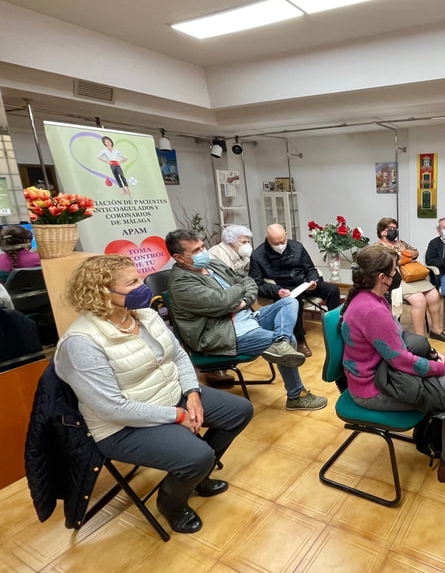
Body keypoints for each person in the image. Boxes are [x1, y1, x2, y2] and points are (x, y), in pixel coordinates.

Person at [53, 254, 253, 534]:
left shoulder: (145, 315)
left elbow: (179, 356)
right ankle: (171, 503)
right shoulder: (81, 343)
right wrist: (178, 415)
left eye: (138, 278)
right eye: (132, 283)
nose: (142, 286)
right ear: (101, 293)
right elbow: (112, 408)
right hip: (121, 427)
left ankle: (196, 475)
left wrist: (192, 393)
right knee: (196, 456)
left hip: (170, 397)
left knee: (239, 411)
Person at [340, 244, 445, 483]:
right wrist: (436, 366)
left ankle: (430, 436)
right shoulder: (372, 309)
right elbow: (400, 359)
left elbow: (396, 340)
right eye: (394, 270)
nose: (397, 274)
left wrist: (432, 355)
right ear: (382, 277)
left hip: (379, 373)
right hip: (374, 389)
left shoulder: (371, 298)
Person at [166, 229, 327, 411]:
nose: (203, 252)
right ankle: (296, 396)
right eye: (196, 250)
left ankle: (280, 341)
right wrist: (237, 291)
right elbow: (223, 300)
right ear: (179, 258)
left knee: (289, 302)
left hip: (247, 317)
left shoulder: (213, 265)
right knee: (289, 340)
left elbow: (249, 281)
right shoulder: (181, 283)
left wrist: (241, 301)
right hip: (223, 334)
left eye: (203, 247)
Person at [249, 223, 341, 358]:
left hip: (303, 282)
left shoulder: (297, 246)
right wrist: (277, 291)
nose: (280, 245)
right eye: (276, 243)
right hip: (282, 288)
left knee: (333, 290)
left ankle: (336, 326)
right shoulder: (258, 255)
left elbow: (310, 268)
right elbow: (256, 284)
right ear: (268, 240)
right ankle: (300, 339)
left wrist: (313, 281)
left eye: (283, 241)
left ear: (286, 235)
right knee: (294, 301)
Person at [375, 217, 445, 342]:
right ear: (382, 231)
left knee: (434, 295)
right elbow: (387, 262)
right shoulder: (378, 247)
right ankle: (420, 339)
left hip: (412, 275)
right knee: (420, 300)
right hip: (396, 279)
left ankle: (436, 330)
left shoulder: (401, 243)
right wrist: (404, 256)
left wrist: (402, 256)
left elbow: (415, 252)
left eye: (395, 228)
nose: (394, 231)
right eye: (390, 228)